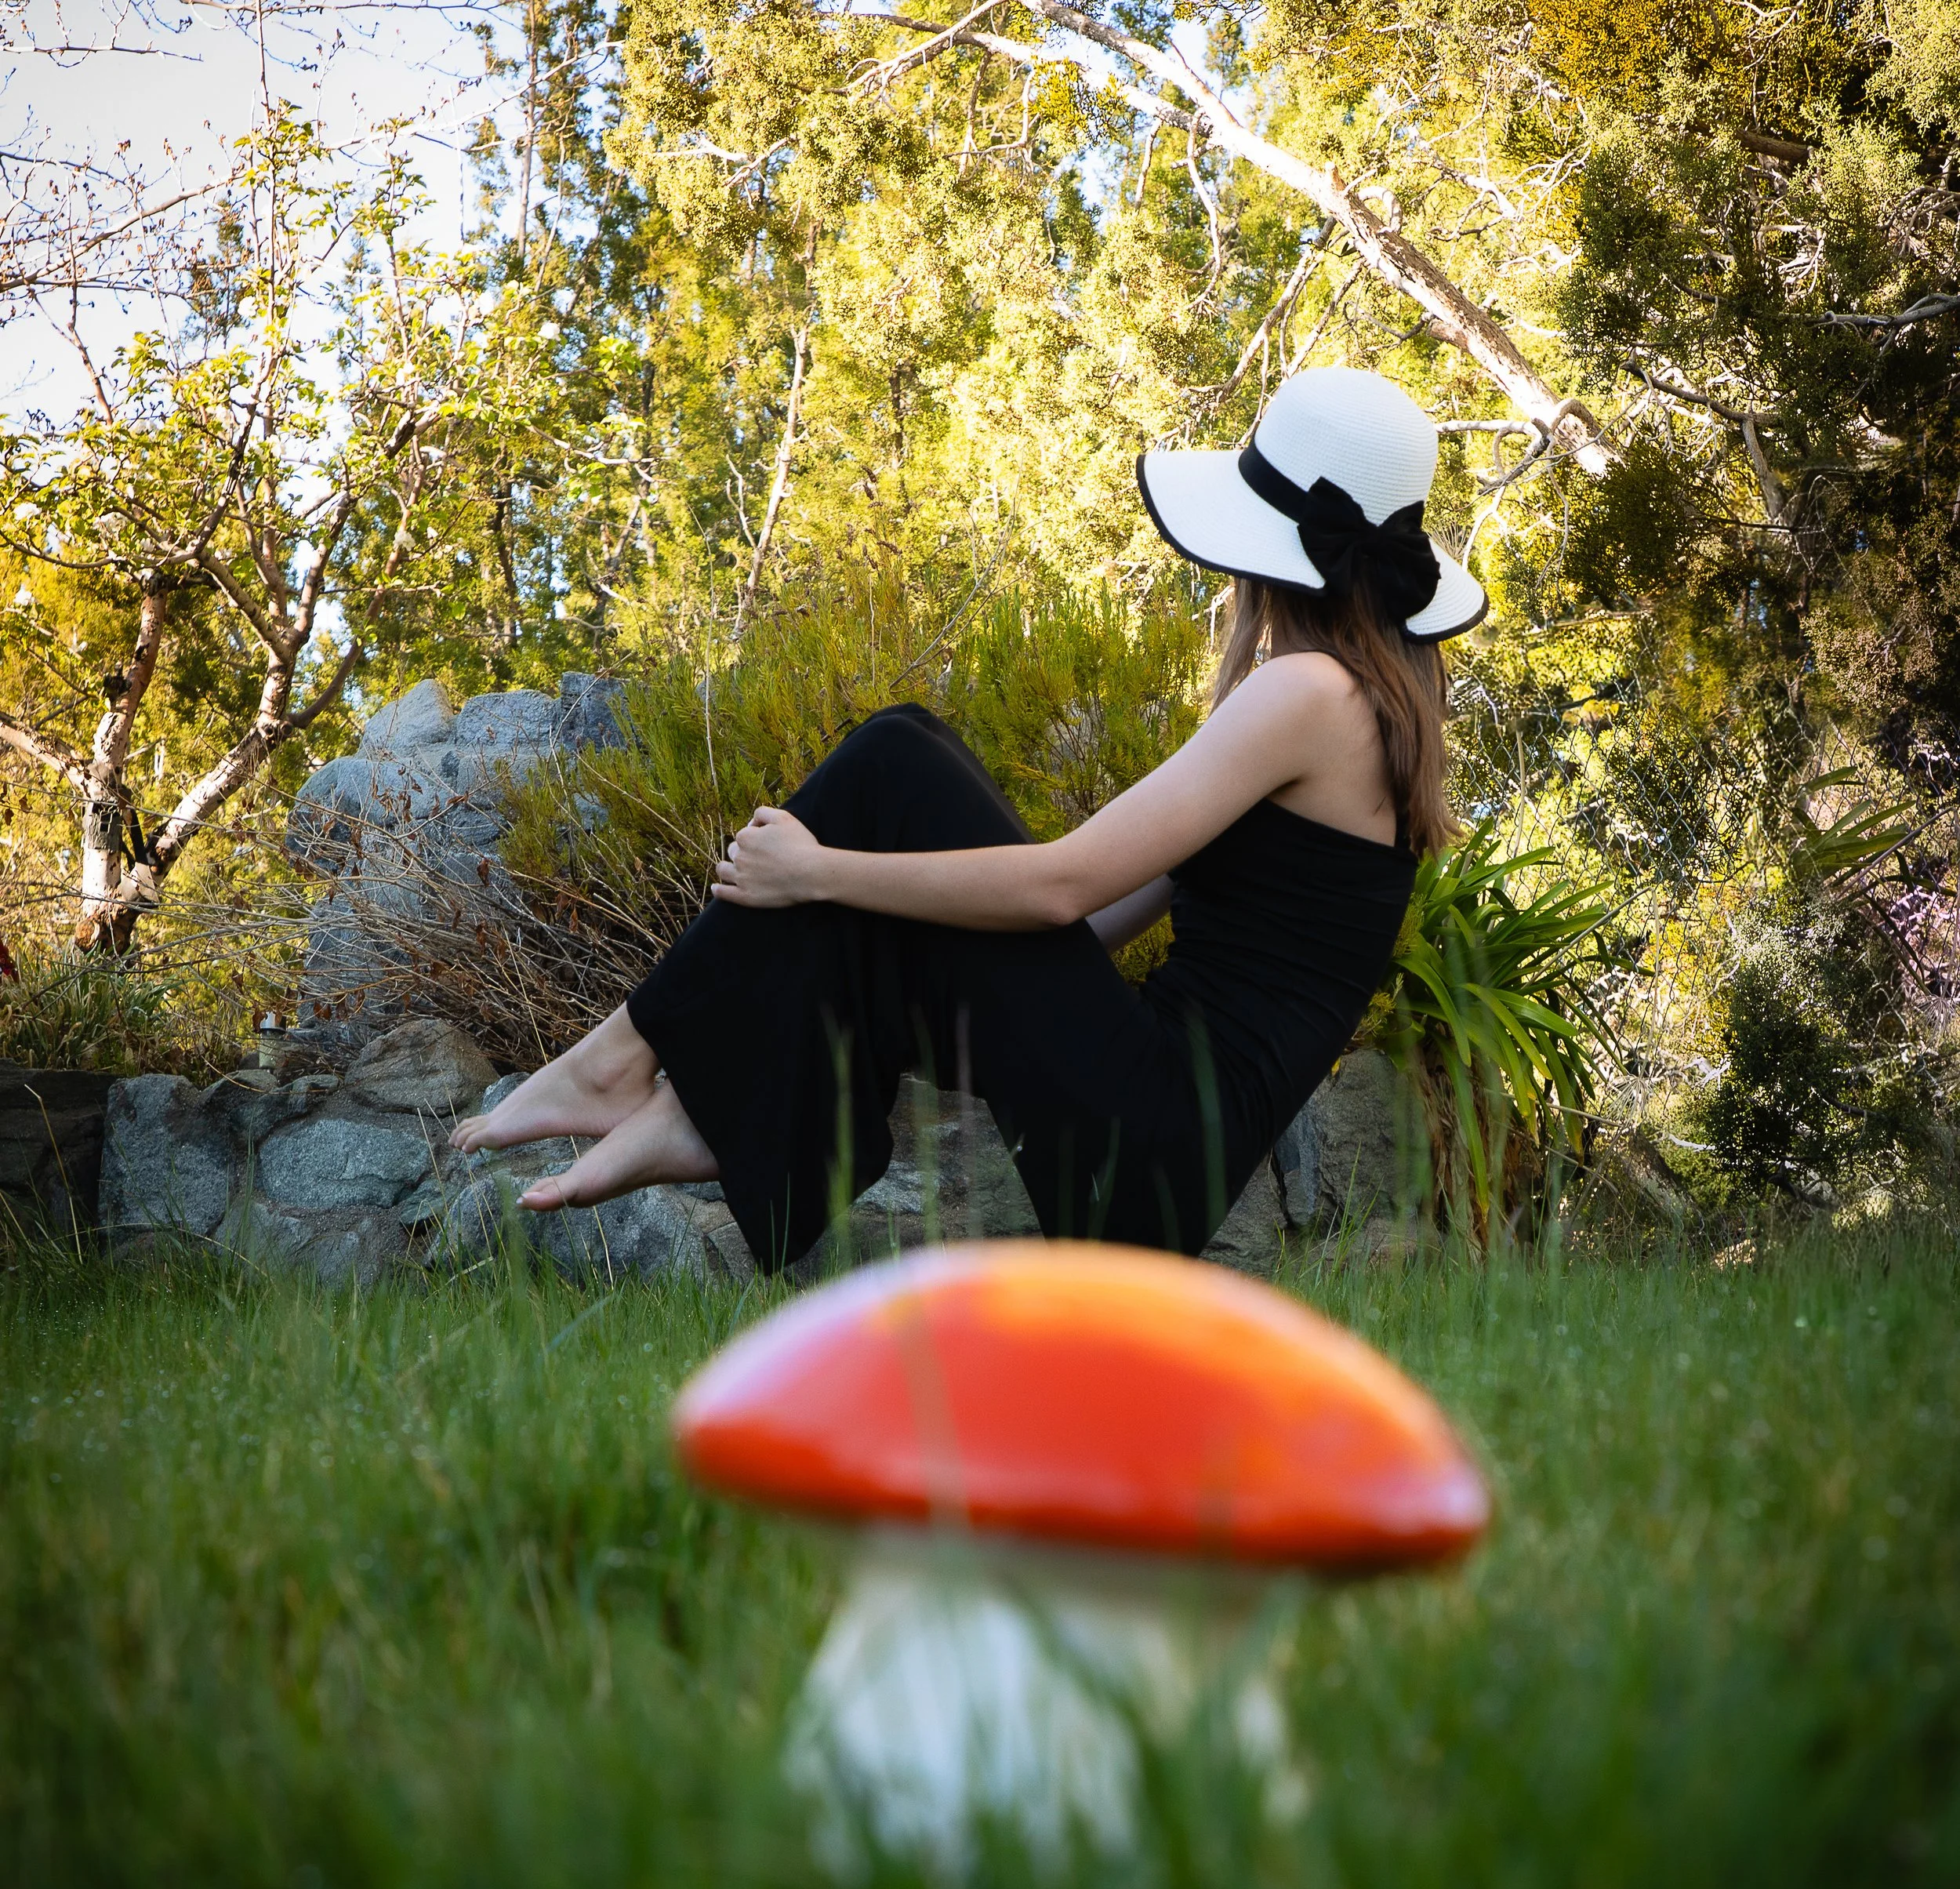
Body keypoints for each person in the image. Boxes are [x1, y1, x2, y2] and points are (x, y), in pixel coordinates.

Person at [449, 368, 1486, 1270]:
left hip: (1150, 1134)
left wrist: (818, 875)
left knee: (899, 759)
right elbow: (1084, 924)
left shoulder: (1306, 693)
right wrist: (920, 938)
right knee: (914, 761)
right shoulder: (1372, 711)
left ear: (1273, 554)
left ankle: (636, 1066)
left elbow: (1058, 887)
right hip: (1167, 1156)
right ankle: (698, 1105)